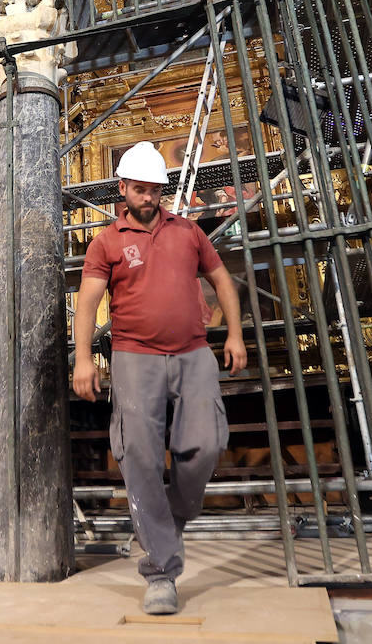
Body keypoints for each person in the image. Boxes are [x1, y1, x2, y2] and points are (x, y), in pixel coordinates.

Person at [71, 140, 247, 615]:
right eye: (141, 190)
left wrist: (234, 334)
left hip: (193, 352)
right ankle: (161, 572)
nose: (150, 198)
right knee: (141, 459)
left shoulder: (188, 232)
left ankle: (162, 524)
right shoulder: (106, 241)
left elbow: (222, 281)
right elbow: (87, 300)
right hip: (134, 358)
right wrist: (84, 358)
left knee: (206, 445)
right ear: (123, 189)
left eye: (155, 191)